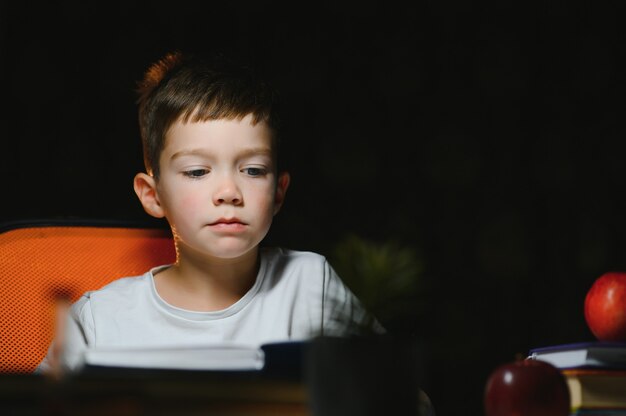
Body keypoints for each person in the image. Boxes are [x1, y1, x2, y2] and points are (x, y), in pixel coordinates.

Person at [35, 51, 384, 374]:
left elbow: (404, 398)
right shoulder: (100, 319)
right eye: (198, 172)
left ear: (279, 192)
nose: (229, 193)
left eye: (253, 170)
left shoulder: (310, 285)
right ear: (153, 195)